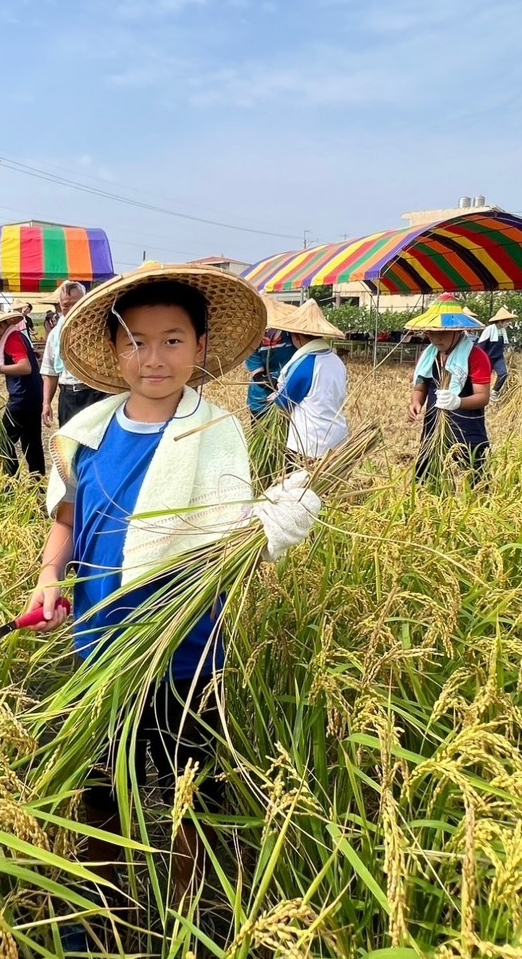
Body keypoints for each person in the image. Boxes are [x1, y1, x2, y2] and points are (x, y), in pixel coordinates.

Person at [25, 263, 319, 918]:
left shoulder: (215, 434)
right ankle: (103, 906)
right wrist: (50, 578)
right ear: (113, 348)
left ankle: (186, 904)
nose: (152, 356)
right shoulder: (82, 437)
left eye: (172, 339)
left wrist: (270, 527)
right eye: (136, 340)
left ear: (201, 348)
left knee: (192, 784)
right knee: (102, 784)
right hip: (102, 644)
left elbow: (228, 537)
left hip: (186, 648)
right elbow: (66, 524)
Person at [406, 299, 492, 484]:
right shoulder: (429, 356)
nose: (436, 339)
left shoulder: (476, 356)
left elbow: (483, 396)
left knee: (475, 479)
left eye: (443, 333)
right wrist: (416, 402)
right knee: (426, 478)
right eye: (431, 333)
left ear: (457, 330)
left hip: (466, 426)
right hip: (434, 424)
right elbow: (421, 386)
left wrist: (458, 402)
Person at [0, 303, 45, 476]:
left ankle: (11, 483)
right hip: (33, 396)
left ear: (1, 325)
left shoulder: (12, 339)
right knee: (32, 443)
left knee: (3, 441)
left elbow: (25, 367)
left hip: (22, 399)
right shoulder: (15, 336)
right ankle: (38, 485)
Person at [269, 298, 348, 461]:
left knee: (303, 485)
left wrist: (274, 397)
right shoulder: (336, 360)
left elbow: (284, 402)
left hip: (310, 443)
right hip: (337, 439)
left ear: (296, 336)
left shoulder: (306, 364)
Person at [42, 282, 106, 427]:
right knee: (69, 445)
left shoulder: (100, 329)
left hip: (96, 395)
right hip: (69, 396)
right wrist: (46, 404)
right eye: (66, 305)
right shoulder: (55, 335)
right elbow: (50, 373)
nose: (71, 309)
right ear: (59, 306)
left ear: (85, 300)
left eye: (76, 303)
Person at [247, 300, 295, 421]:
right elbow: (259, 376)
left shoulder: (291, 338)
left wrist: (284, 391)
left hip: (288, 398)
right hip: (260, 400)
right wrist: (278, 386)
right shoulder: (251, 342)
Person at [479, 307, 516, 397]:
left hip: (498, 357)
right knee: (484, 379)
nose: (508, 323)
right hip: (487, 357)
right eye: (506, 321)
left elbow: (504, 345)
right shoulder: (490, 329)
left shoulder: (503, 331)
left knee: (503, 374)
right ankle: (482, 395)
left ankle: (494, 392)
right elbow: (481, 345)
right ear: (500, 321)